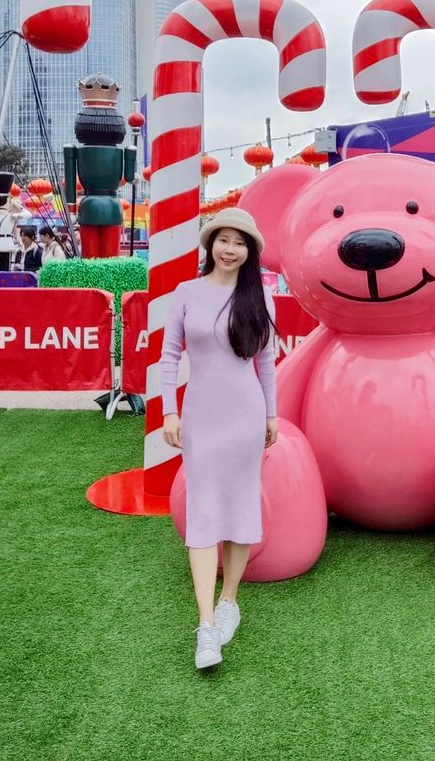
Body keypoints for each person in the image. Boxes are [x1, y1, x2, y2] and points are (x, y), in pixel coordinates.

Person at [160, 209, 277, 671]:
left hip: (246, 416)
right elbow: (169, 357)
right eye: (223, 240)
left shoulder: (260, 296)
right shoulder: (186, 293)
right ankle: (206, 626)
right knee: (203, 513)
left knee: (242, 505)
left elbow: (265, 362)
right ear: (210, 245)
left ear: (250, 252)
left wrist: (272, 414)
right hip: (200, 417)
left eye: (240, 243)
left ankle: (230, 601)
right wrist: (169, 410)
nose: (230, 249)